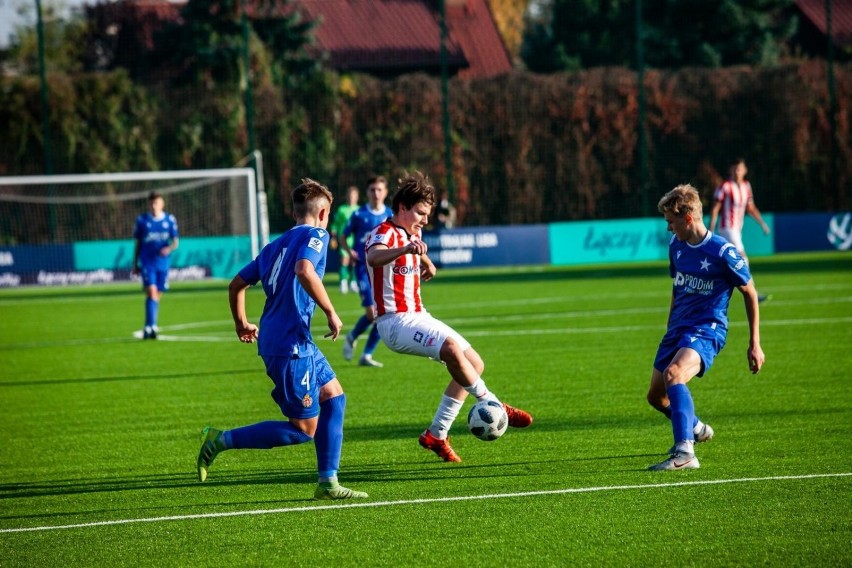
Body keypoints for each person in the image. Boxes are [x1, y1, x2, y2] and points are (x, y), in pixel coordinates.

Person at [196, 178, 368, 501]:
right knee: (303, 430)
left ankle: (328, 482)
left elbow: (236, 285)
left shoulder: (273, 246)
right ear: (323, 214)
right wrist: (330, 310)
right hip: (289, 346)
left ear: (293, 213)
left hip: (294, 340)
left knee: (334, 396)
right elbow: (305, 270)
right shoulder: (318, 234)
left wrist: (241, 323)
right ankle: (220, 439)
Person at [365, 171, 533, 463]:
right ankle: (492, 402)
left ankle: (437, 433)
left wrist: (427, 261)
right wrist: (406, 249)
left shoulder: (411, 232)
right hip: (394, 322)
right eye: (420, 212)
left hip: (418, 315)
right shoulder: (384, 232)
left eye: (427, 214)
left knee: (474, 363)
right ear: (402, 207)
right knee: (452, 350)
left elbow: (414, 248)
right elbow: (374, 257)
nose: (425, 220)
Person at [646, 184, 764, 471]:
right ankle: (695, 427)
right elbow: (677, 288)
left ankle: (685, 452)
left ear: (687, 218)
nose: (668, 230)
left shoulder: (723, 252)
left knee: (676, 375)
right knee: (656, 397)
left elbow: (749, 293)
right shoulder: (676, 246)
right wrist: (670, 325)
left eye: (671, 223)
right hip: (678, 329)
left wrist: (755, 343)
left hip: (707, 328)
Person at [339, 176, 393, 368]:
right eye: (372, 190)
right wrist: (349, 251)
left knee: (383, 313)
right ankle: (352, 336)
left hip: (384, 270)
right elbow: (343, 236)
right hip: (363, 268)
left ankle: (367, 354)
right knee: (373, 313)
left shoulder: (390, 214)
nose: (376, 193)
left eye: (379, 189)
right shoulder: (359, 215)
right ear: (367, 192)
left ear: (385, 192)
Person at [709, 158, 771, 302]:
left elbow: (750, 207)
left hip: (737, 229)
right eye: (735, 169)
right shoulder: (725, 186)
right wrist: (711, 227)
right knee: (742, 257)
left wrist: (762, 223)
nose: (737, 172)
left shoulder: (746, 186)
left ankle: (713, 287)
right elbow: (716, 207)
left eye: (740, 169)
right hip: (727, 228)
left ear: (745, 170)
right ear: (731, 170)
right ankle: (752, 292)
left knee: (723, 260)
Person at [133, 191, 179, 340]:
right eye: (151, 203)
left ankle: (149, 325)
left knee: (157, 295)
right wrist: (135, 263)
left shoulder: (170, 220)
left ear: (162, 204)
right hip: (147, 262)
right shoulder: (142, 221)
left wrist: (169, 248)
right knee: (152, 292)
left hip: (163, 264)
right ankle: (151, 326)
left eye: (156, 203)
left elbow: (175, 242)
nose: (154, 206)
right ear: (149, 204)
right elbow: (138, 243)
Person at [330, 186, 360, 294]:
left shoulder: (359, 210)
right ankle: (343, 282)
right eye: (350, 196)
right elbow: (335, 224)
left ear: (357, 197)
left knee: (354, 261)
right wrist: (333, 236)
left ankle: (353, 282)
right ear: (347, 197)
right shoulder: (342, 209)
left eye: (354, 196)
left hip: (356, 239)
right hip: (344, 239)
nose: (352, 198)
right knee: (344, 259)